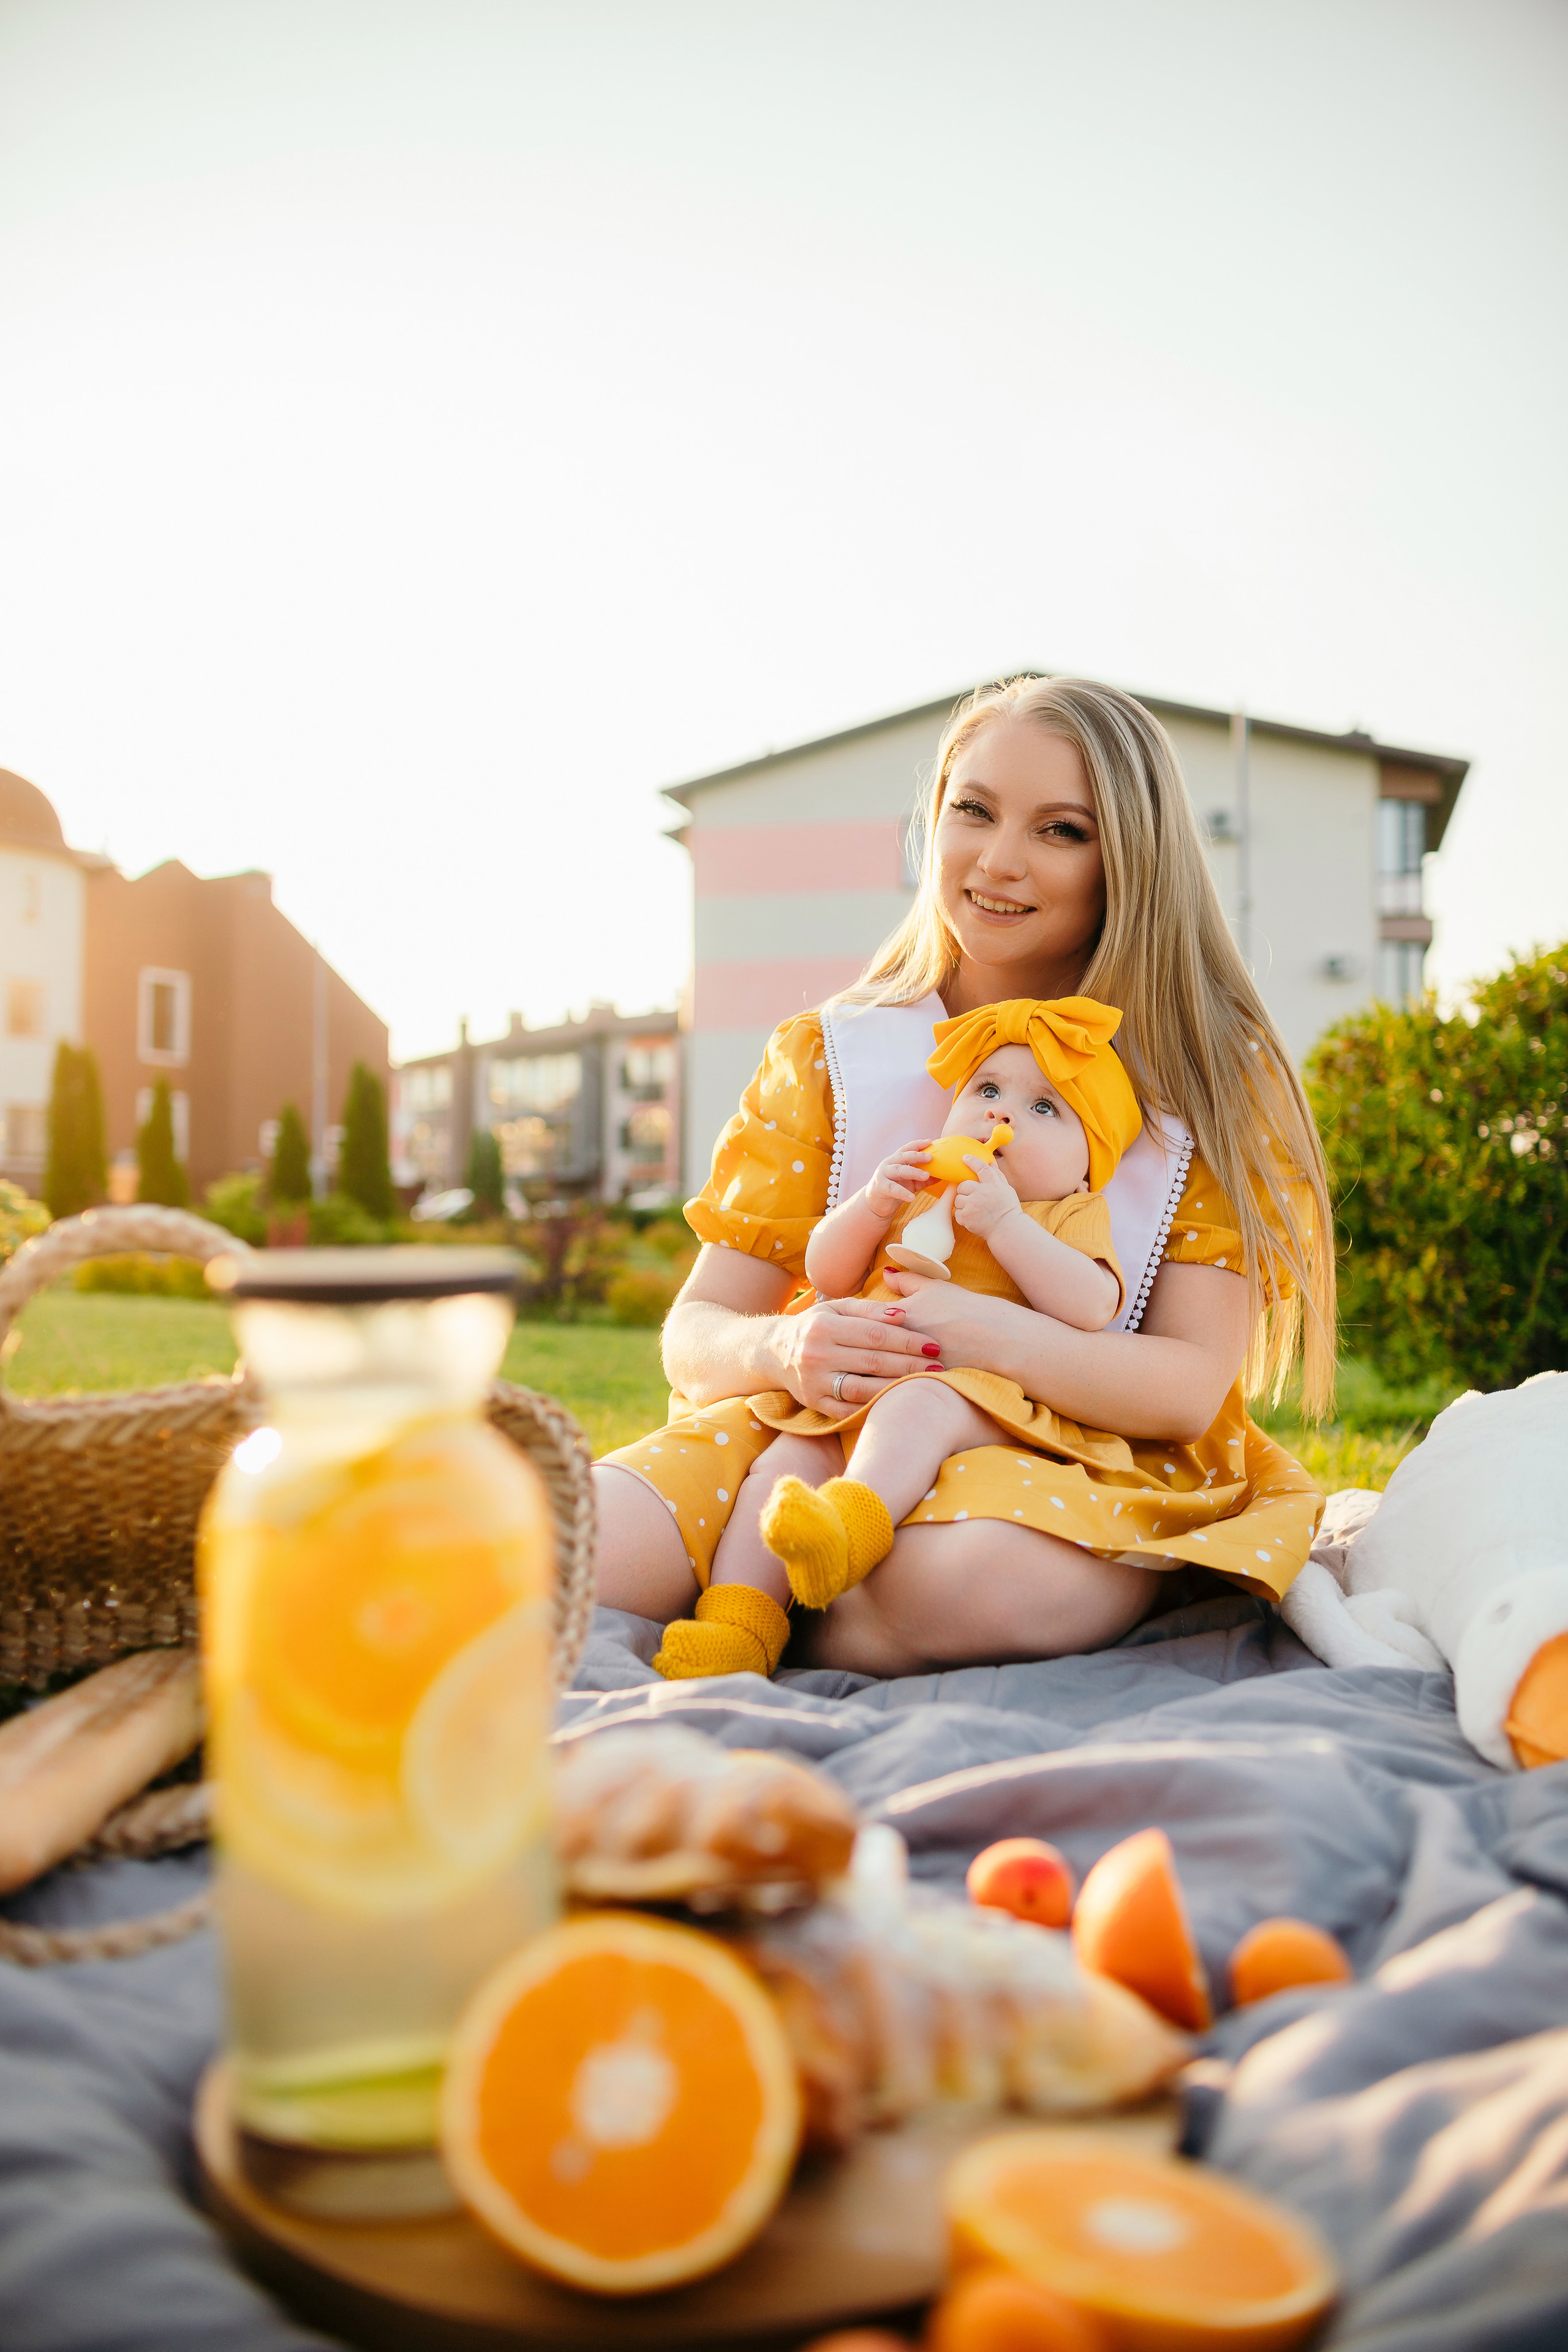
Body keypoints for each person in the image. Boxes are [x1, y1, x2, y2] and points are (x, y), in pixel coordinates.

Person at [595, 674, 1334, 1683]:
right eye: (972, 810)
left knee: (960, 1583)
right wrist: (788, 1342)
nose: (997, 860)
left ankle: (772, 1593)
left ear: (1131, 862)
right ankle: (792, 1582)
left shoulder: (1208, 1082)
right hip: (809, 1428)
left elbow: (1184, 1388)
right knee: (562, 1537)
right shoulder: (831, 1054)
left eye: (1061, 830)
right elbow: (698, 1333)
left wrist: (964, 1335)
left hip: (1082, 1449)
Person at [744, 1001, 1141, 1632]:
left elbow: (1091, 1306)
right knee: (783, 1462)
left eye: (1045, 1108)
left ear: (1086, 1163)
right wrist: (872, 1206)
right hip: (858, 1386)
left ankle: (850, 1529)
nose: (1001, 1112)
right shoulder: (921, 1191)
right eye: (986, 1089)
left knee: (919, 1406)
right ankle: (739, 1621)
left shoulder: (1065, 1213)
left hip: (973, 1397)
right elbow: (826, 1273)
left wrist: (1007, 1225)